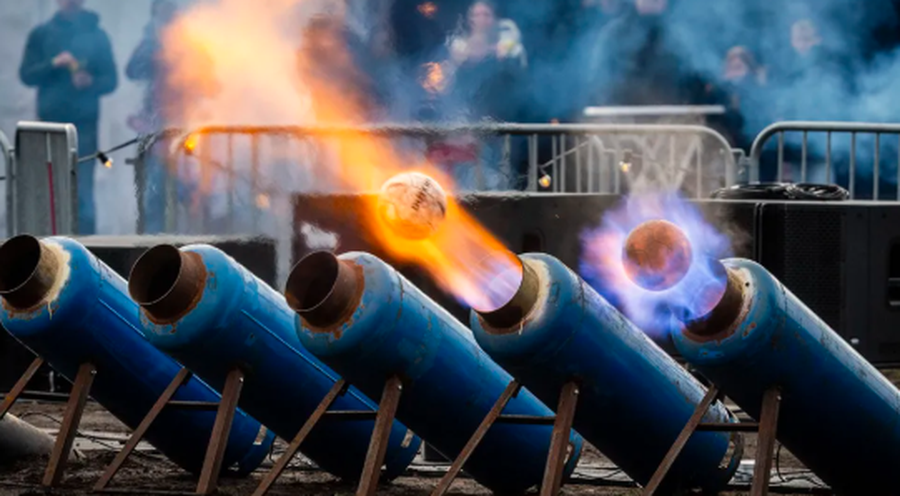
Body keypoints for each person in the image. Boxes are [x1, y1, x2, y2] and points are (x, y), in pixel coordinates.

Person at [19, 0, 118, 235]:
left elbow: (111, 80)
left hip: (84, 127)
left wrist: (90, 81)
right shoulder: (41, 34)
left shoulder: (98, 35)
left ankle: (86, 247)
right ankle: (50, 243)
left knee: (82, 190)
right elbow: (27, 74)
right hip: (48, 127)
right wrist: (54, 63)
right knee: (50, 190)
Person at [125, 0, 178, 234]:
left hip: (183, 124)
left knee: (183, 191)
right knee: (154, 190)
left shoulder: (190, 42)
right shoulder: (150, 41)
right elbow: (132, 70)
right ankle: (153, 241)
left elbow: (211, 83)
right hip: (154, 125)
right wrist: (155, 52)